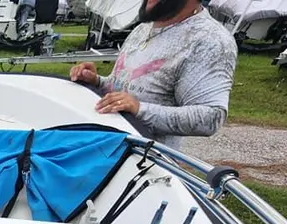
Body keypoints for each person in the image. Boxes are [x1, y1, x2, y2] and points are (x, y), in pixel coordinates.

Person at [69, 0, 238, 149]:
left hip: (145, 166)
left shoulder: (210, 41)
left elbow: (211, 117)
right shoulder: (143, 29)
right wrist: (96, 81)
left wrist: (140, 109)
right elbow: (127, 88)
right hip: (106, 149)